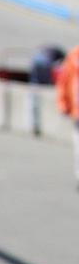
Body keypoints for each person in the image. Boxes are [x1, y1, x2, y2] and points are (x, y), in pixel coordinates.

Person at [54, 43, 79, 190]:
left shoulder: (74, 54)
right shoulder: (73, 54)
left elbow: (63, 80)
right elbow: (64, 79)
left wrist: (63, 103)